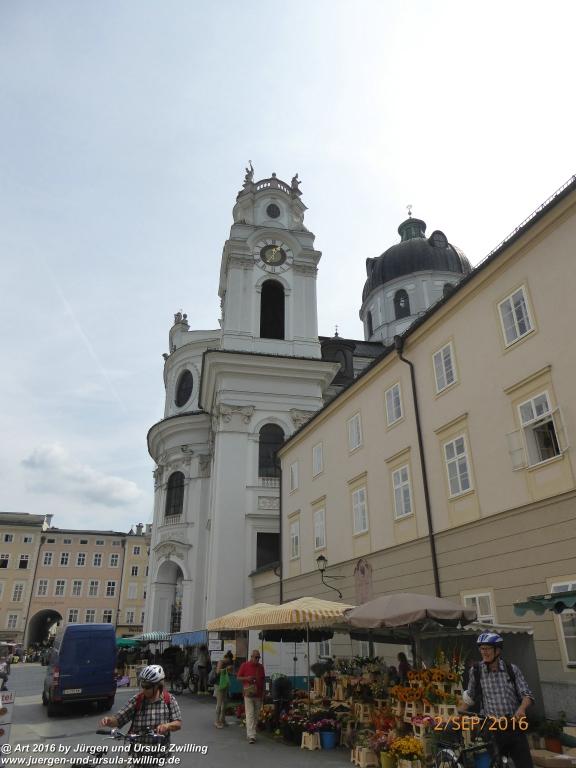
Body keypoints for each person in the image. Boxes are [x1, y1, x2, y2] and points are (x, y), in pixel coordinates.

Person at [461, 632, 534, 767]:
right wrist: (456, 715)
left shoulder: (511, 669)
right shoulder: (476, 671)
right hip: (492, 728)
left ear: (498, 650)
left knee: (524, 763)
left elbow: (527, 694)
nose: (484, 652)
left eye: (488, 648)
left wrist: (522, 708)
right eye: (482, 649)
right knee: (497, 763)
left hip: (514, 725)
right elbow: (470, 696)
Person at [99, 665, 181, 755]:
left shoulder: (169, 700)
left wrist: (167, 726)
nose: (144, 689)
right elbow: (119, 719)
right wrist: (109, 720)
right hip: (137, 754)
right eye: (143, 685)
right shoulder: (137, 700)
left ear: (158, 685)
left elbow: (177, 724)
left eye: (148, 687)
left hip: (159, 755)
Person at [237, 649, 266, 744]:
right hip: (248, 694)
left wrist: (264, 693)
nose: (257, 659)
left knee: (256, 715)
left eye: (259, 658)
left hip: (258, 694)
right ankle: (251, 735)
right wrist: (247, 678)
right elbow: (238, 677)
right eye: (256, 657)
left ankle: (252, 732)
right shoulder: (244, 665)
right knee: (250, 714)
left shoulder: (261, 667)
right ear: (251, 657)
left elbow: (263, 680)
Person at [213, 651, 234, 729]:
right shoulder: (221, 662)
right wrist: (226, 669)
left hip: (224, 684)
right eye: (228, 660)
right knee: (219, 702)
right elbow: (218, 672)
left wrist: (230, 671)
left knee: (225, 702)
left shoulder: (228, 663)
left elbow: (228, 674)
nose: (229, 662)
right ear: (226, 658)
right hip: (219, 685)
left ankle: (222, 719)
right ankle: (216, 721)